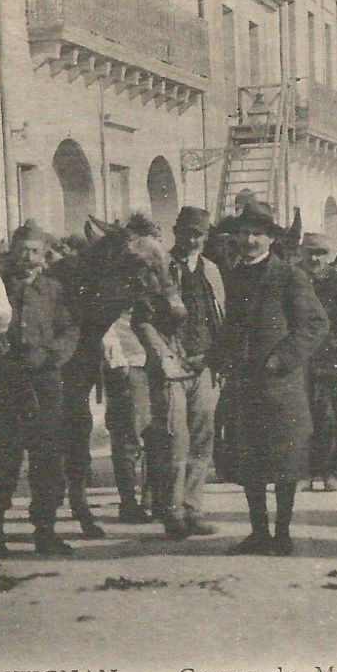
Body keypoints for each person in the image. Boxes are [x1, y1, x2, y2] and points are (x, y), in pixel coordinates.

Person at [215, 198, 328, 556]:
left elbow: (315, 324)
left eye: (257, 234)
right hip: (244, 384)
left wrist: (282, 358)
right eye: (244, 233)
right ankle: (258, 532)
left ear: (270, 239)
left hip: (280, 384)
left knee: (284, 460)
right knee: (249, 460)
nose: (249, 241)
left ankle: (282, 534)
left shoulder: (287, 275)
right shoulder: (232, 276)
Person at [0, 223, 79, 558]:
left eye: (34, 252)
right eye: (22, 250)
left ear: (45, 256)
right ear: (11, 251)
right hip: (5, 382)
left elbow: (70, 329)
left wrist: (51, 354)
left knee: (47, 461)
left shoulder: (54, 290)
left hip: (44, 383)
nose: (27, 258)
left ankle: (45, 531)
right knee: (2, 460)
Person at [137, 206, 227, 539]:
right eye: (186, 232)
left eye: (198, 234)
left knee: (202, 441)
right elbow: (142, 319)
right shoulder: (159, 269)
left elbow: (221, 320)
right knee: (174, 440)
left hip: (204, 367)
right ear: (175, 231)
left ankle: (193, 508)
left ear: (206, 237)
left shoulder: (212, 272)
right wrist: (163, 357)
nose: (192, 239)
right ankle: (171, 511)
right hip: (171, 366)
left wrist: (215, 359)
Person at [301, 232, 337, 491]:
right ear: (301, 253)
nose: (315, 258)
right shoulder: (293, 278)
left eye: (320, 253)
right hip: (299, 357)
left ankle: (330, 471)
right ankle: (304, 473)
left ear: (327, 256)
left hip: (329, 354)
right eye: (310, 252)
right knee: (301, 414)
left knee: (330, 414)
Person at [101, 308, 153, 521]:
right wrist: (117, 360)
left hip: (156, 363)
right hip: (129, 365)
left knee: (156, 436)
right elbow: (104, 318)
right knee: (129, 437)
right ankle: (129, 504)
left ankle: (152, 500)